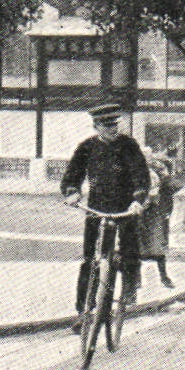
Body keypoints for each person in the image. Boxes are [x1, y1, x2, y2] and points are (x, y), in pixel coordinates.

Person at [61, 102, 149, 320]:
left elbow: (141, 175)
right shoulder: (86, 148)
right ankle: (83, 311)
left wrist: (138, 200)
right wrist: (72, 193)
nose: (113, 129)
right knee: (90, 259)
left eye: (115, 124)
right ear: (96, 126)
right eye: (106, 125)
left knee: (129, 247)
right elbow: (72, 175)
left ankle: (129, 288)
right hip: (96, 208)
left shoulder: (129, 145)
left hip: (125, 207)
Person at [138, 140, 178, 288]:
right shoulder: (137, 170)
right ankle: (138, 279)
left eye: (146, 156)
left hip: (153, 212)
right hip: (141, 212)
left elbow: (162, 192)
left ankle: (164, 277)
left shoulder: (157, 171)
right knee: (137, 247)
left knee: (157, 247)